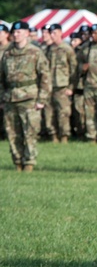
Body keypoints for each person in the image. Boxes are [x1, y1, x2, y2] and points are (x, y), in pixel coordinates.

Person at [0, 21, 51, 171]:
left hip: (30, 98)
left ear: (27, 33)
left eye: (20, 32)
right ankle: (17, 162)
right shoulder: (7, 54)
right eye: (14, 33)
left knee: (30, 132)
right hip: (10, 98)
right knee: (13, 133)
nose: (16, 35)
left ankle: (29, 163)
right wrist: (2, 97)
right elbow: (1, 79)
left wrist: (42, 99)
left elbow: (45, 77)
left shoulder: (35, 52)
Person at [43, 24, 76, 143]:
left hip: (62, 86)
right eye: (50, 33)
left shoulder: (67, 49)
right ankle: (53, 135)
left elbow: (74, 69)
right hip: (49, 85)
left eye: (54, 33)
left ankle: (64, 136)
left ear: (61, 33)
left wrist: (71, 87)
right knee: (49, 112)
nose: (52, 36)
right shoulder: (48, 49)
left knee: (63, 112)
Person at [70, 26, 89, 138]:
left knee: (84, 111)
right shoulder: (72, 51)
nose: (73, 42)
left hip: (85, 85)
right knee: (76, 111)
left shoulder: (86, 50)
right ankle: (79, 132)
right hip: (76, 85)